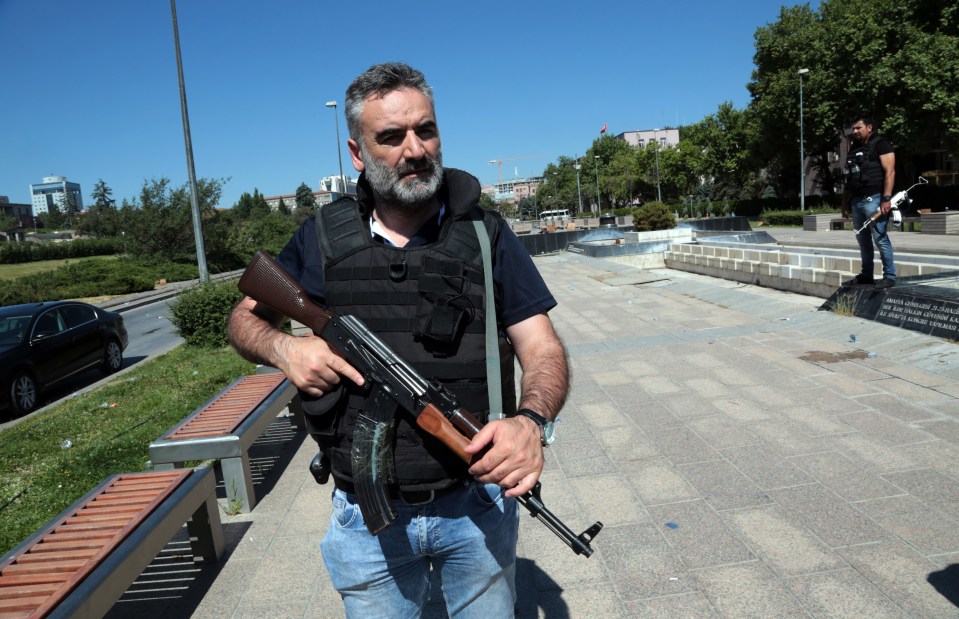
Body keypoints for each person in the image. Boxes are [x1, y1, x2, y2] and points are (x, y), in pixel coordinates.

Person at [227, 62, 569, 617]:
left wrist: (532, 422)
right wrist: (286, 349)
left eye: (425, 130)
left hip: (478, 505)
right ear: (357, 152)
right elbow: (242, 319)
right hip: (363, 519)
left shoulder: (485, 235)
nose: (415, 149)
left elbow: (543, 349)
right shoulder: (321, 239)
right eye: (391, 136)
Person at [842, 115, 897, 288]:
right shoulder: (854, 149)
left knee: (880, 238)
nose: (855, 131)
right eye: (854, 129)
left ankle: (889, 276)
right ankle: (866, 275)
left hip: (874, 199)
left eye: (858, 128)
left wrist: (886, 198)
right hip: (857, 201)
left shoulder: (881, 145)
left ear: (869, 127)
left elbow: (890, 172)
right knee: (862, 241)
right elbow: (849, 178)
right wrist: (845, 203)